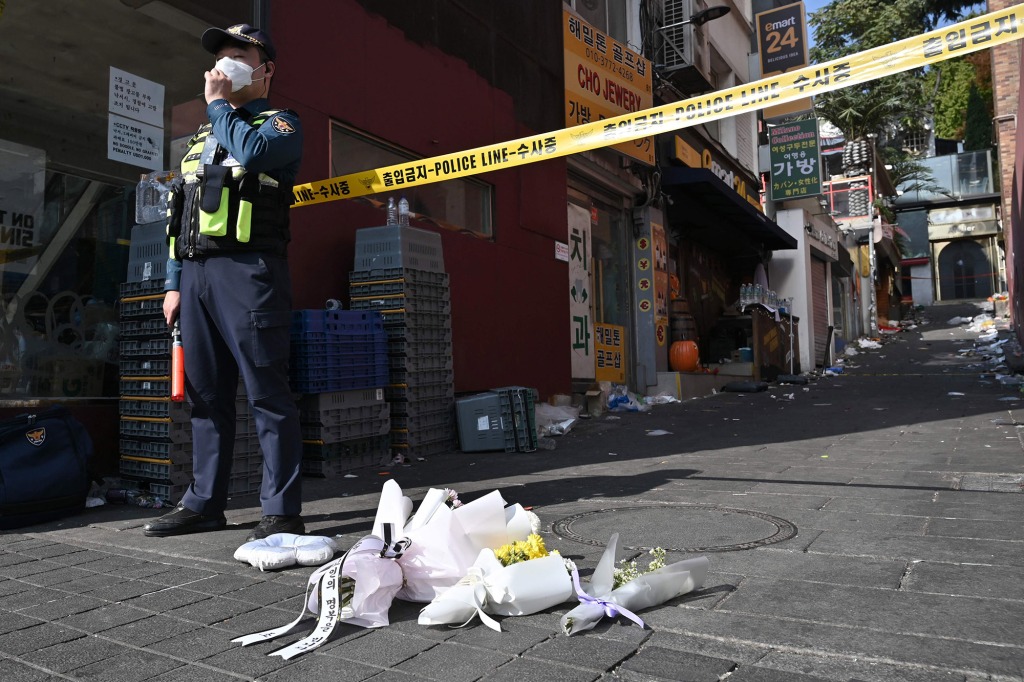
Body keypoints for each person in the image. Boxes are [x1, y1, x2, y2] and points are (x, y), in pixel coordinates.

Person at [144, 24, 305, 541]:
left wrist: (219, 107)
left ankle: (280, 510)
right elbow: (179, 213)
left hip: (250, 273)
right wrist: (173, 282)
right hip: (195, 275)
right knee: (206, 396)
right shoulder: (201, 140)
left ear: (265, 70)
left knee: (267, 392)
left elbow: (256, 155)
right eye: (221, 57)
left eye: (238, 57)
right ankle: (203, 504)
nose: (225, 66)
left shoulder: (280, 123)